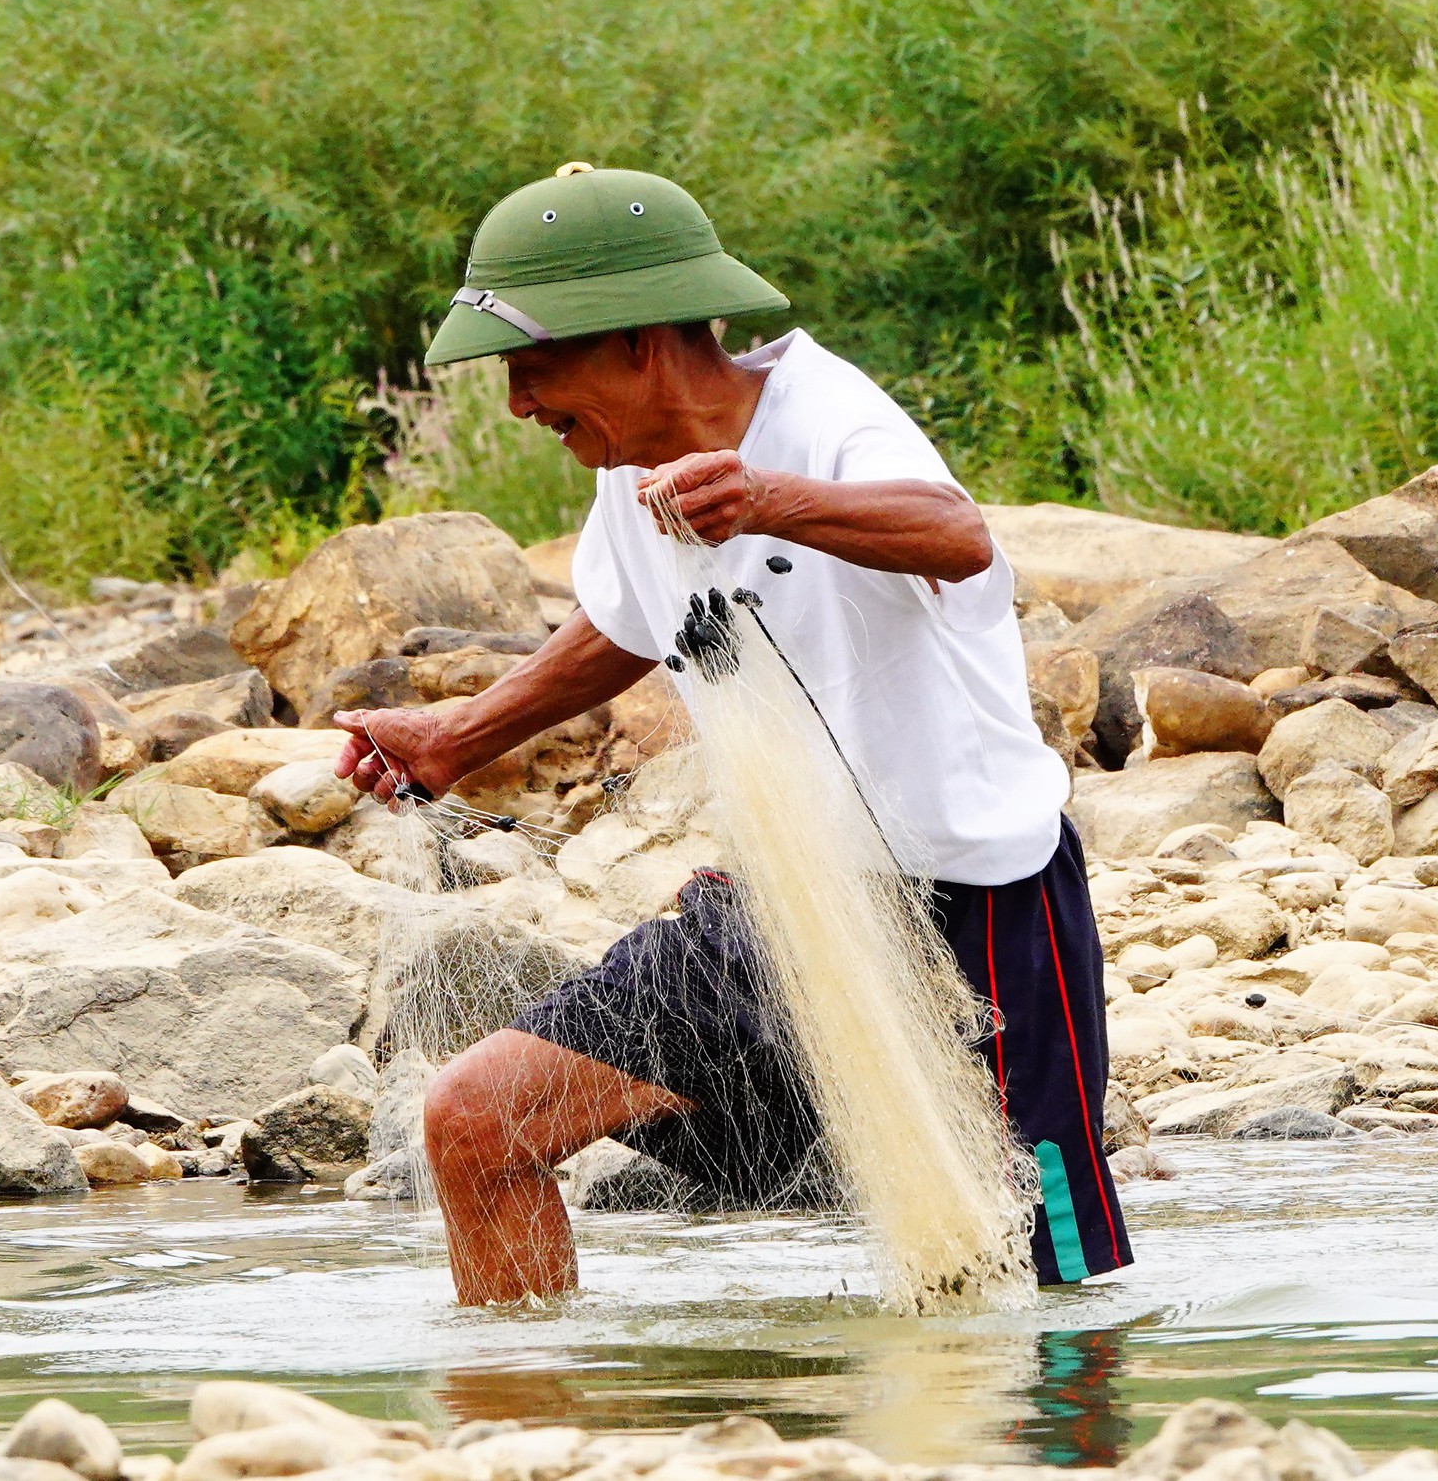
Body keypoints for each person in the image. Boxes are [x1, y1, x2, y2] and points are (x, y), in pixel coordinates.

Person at [334, 163, 1130, 1306]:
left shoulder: (831, 414)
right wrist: (461, 732)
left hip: (977, 908)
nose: (517, 404)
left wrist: (767, 499)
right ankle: (527, 1434)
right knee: (477, 1124)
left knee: (1042, 1263)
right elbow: (626, 622)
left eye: (534, 367)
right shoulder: (624, 462)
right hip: (782, 907)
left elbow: (956, 537)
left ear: (638, 343)